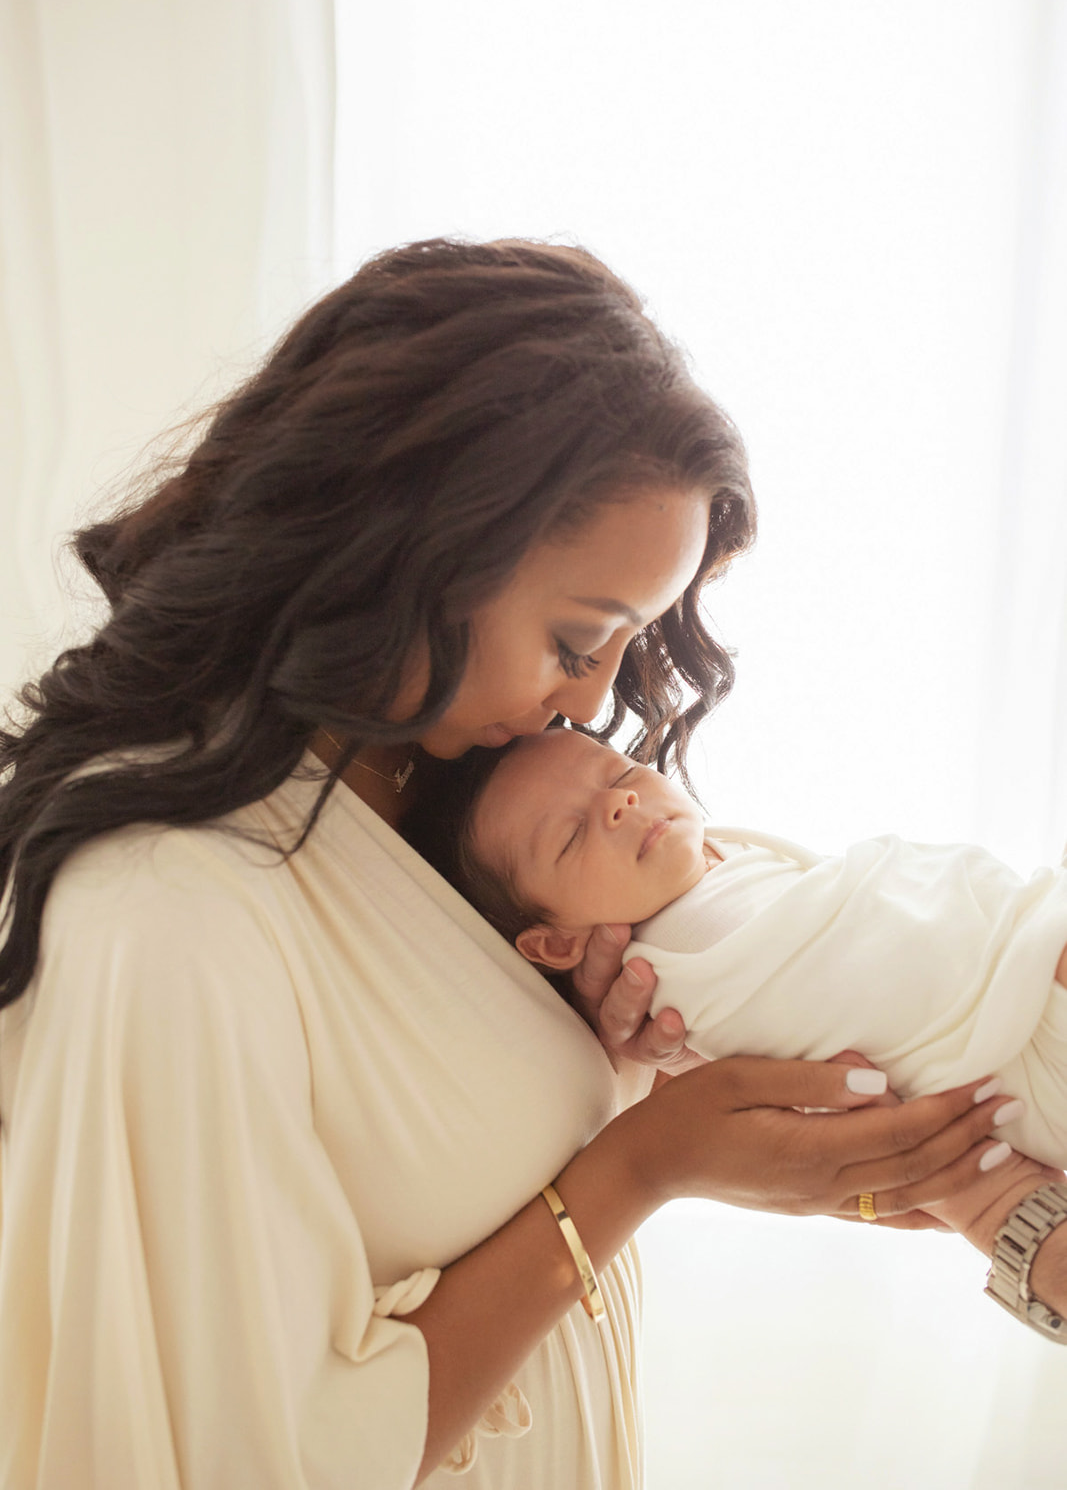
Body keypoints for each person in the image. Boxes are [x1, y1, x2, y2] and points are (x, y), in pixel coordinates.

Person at [0, 237, 1060, 1490]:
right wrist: (645, 1162)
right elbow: (256, 1452)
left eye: (626, 642)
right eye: (574, 638)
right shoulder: (168, 912)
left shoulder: (435, 782)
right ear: (410, 550)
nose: (596, 699)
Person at [405, 724, 1067, 1170]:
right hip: (1005, 1042)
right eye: (572, 835)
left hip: (1014, 956)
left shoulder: (723, 856)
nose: (619, 803)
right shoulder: (658, 974)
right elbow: (871, 971)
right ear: (553, 942)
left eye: (622, 772)